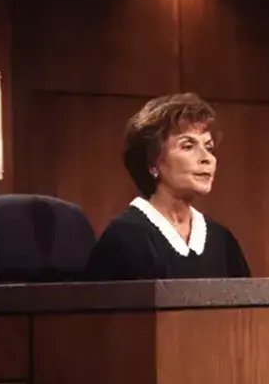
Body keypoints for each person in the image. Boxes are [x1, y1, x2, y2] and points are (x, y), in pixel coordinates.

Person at [86, 93, 251, 281]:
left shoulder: (221, 240)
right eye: (188, 146)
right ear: (153, 163)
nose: (207, 158)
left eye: (209, 147)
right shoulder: (124, 238)